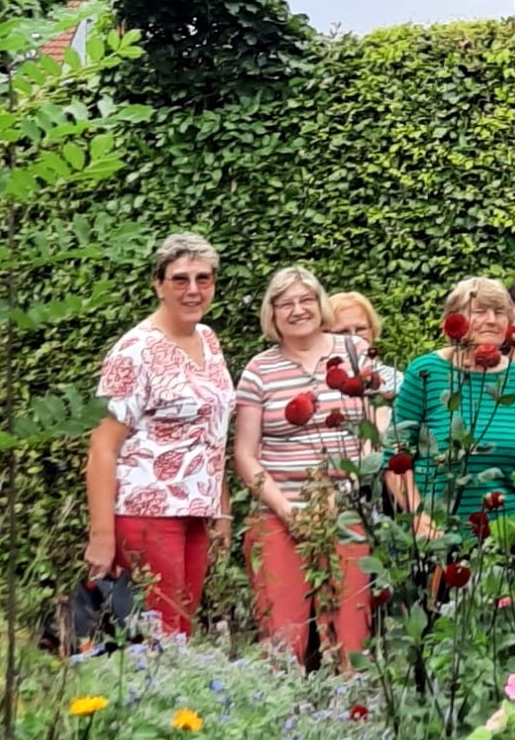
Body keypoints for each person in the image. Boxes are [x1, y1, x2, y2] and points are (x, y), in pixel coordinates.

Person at [86, 232, 234, 636]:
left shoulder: (208, 339)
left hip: (195, 513)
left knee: (180, 628)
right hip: (147, 511)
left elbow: (213, 431)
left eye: (203, 279)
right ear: (158, 283)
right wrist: (101, 536)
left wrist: (220, 507)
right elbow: (102, 446)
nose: (193, 290)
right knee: (160, 635)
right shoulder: (135, 350)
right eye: (180, 279)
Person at [235, 266, 383, 667]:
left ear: (321, 306)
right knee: (285, 638)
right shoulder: (259, 370)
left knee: (351, 635)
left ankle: (356, 720)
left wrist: (345, 492)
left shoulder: (352, 353)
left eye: (306, 300)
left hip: (344, 509)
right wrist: (286, 510)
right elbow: (245, 454)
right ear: (272, 314)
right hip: (279, 513)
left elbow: (372, 432)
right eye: (286, 303)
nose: (298, 310)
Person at [386, 277, 515, 528]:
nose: (492, 320)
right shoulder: (427, 372)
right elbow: (395, 454)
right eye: (480, 311)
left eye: (500, 312)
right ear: (453, 319)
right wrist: (419, 518)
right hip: (443, 532)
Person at [328, 290, 401, 414]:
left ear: (373, 331)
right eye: (342, 332)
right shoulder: (320, 382)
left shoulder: (394, 379)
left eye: (361, 329)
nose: (354, 337)